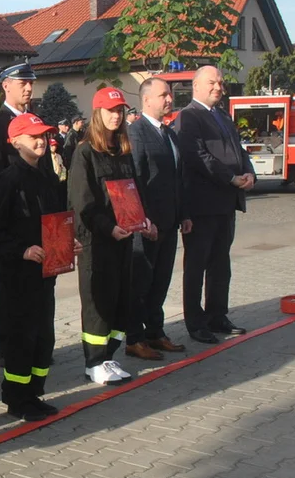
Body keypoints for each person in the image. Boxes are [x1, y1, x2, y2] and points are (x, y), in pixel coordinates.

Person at [0, 114, 80, 420]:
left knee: (42, 337)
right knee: (20, 339)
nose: (40, 141)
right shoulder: (7, 180)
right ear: (15, 142)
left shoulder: (48, 176)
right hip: (17, 278)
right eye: (32, 136)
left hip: (45, 274)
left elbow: (55, 219)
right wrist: (22, 251)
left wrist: (67, 242)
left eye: (43, 135)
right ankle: (16, 398)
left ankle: (35, 392)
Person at [68, 88, 156, 386]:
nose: (116, 116)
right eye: (110, 111)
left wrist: (143, 220)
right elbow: (83, 202)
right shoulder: (84, 153)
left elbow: (134, 192)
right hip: (98, 241)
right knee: (98, 303)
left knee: (120, 300)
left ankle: (109, 356)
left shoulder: (123, 151)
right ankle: (93, 361)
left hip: (125, 238)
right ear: (97, 114)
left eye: (119, 110)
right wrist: (108, 228)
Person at [175, 66, 255, 344]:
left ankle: (217, 315)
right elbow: (197, 156)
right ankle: (195, 323)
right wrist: (231, 177)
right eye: (212, 82)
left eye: (221, 82)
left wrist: (249, 171)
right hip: (202, 205)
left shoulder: (222, 115)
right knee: (197, 265)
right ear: (196, 85)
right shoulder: (188, 117)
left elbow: (239, 148)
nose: (218, 87)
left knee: (221, 264)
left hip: (226, 204)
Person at [125, 78, 190, 361]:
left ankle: (155, 331)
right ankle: (134, 338)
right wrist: (143, 219)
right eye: (164, 95)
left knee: (161, 281)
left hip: (169, 221)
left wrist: (183, 213)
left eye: (170, 95)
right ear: (147, 99)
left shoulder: (169, 133)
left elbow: (178, 177)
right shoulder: (136, 132)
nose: (169, 100)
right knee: (141, 283)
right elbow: (136, 179)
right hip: (147, 226)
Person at [0, 62, 38, 192]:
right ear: (6, 86)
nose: (29, 88)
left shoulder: (37, 122)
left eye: (31, 83)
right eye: (23, 83)